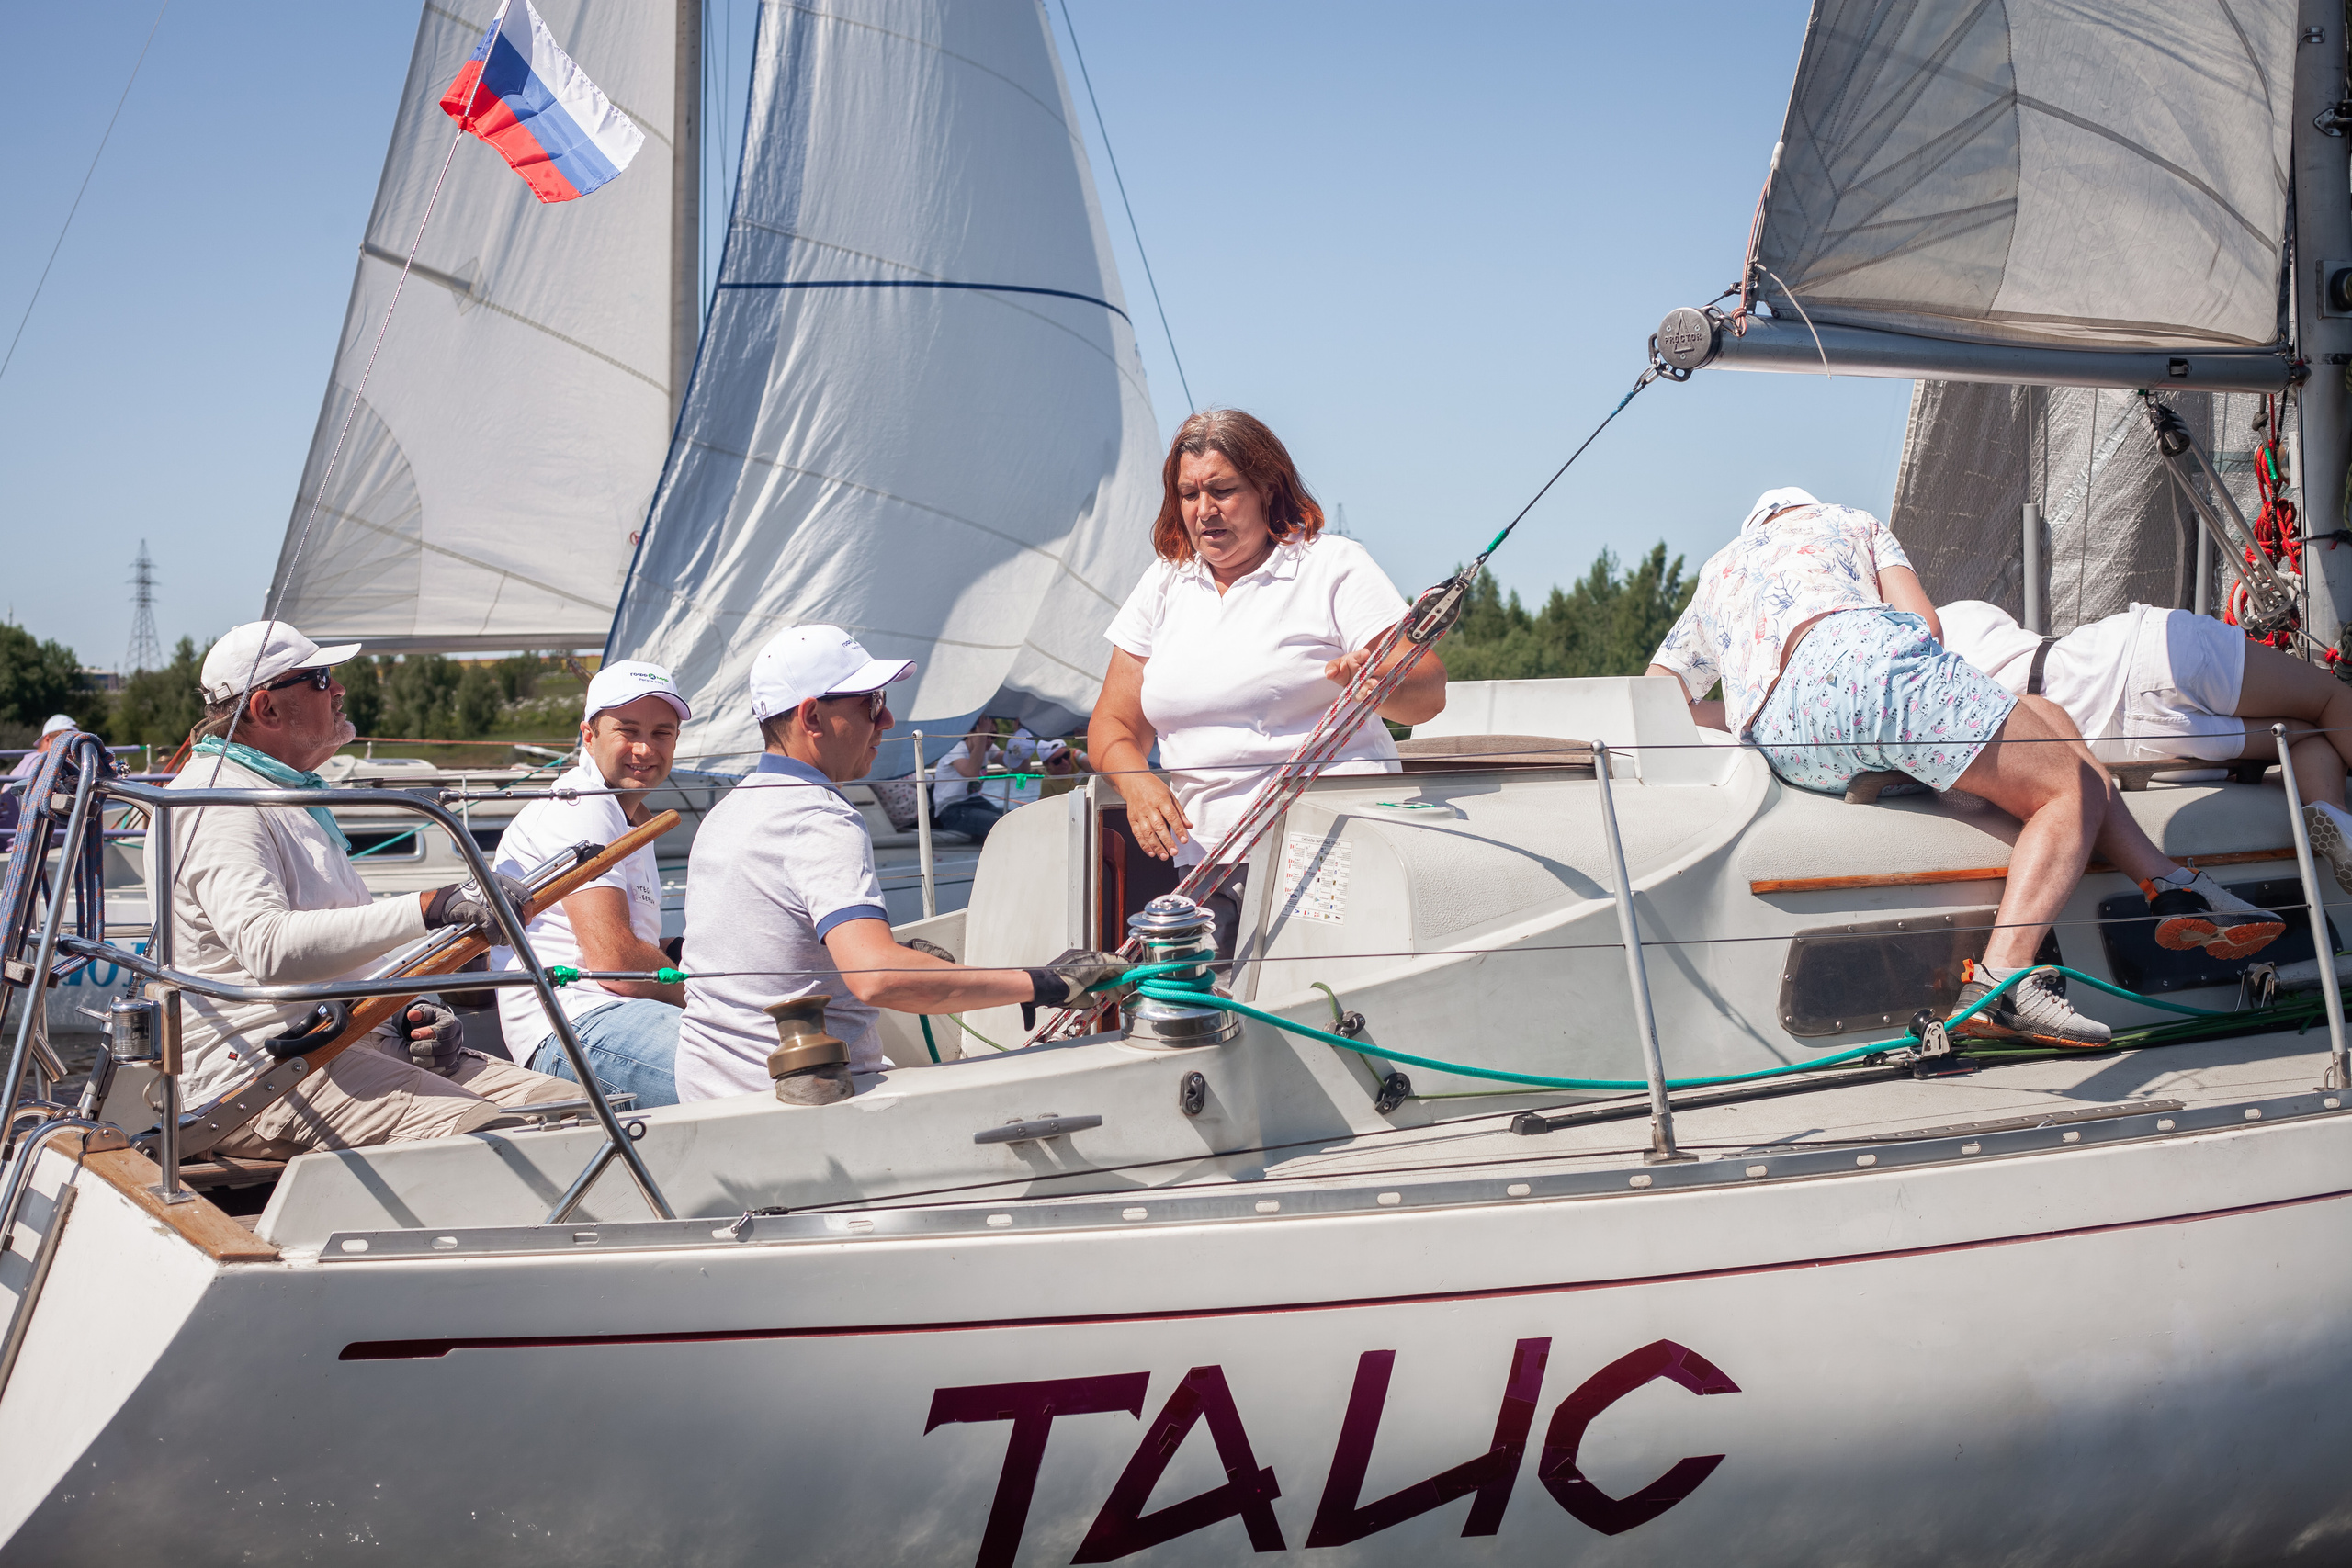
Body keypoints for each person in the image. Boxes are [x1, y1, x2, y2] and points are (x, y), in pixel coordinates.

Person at [1646, 490, 2279, 1050]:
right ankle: (2004, 978)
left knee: (2047, 716)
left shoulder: (1718, 571)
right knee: (2070, 787)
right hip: (1874, 672)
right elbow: (1925, 622)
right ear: (1806, 509)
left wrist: (1742, 710)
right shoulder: (1851, 522)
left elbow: (1660, 690)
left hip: (1791, 740)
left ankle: (2169, 886)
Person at [156, 621, 572, 1157]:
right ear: (267, 710)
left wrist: (412, 1010)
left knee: (571, 1112)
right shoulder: (219, 803)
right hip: (264, 1071)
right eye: (322, 678)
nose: (339, 690)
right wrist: (430, 907)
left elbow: (341, 947)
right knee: (505, 1139)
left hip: (348, 1041)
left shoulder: (283, 793)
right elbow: (269, 949)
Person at [673, 626, 1125, 1100]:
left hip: (712, 1090)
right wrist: (1045, 983)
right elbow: (876, 976)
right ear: (811, 717)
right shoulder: (820, 818)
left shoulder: (730, 810)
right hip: (803, 1105)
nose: (887, 719)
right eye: (871, 702)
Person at [1090, 409, 1446, 956]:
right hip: (1204, 862)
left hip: (1331, 848)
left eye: (1223, 491)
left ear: (1267, 489)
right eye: (1188, 495)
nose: (1204, 511)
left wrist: (1376, 683)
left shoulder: (1331, 565)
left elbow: (1427, 691)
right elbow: (1113, 724)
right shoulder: (1165, 582)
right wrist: (1137, 784)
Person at [1940, 598, 2352, 891]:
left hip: (2109, 740)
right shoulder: (1942, 621)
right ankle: (2334, 815)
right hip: (2132, 656)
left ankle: (2334, 814)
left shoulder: (1901, 712)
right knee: (2329, 699)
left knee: (2300, 735)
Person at [488, 660, 690, 1106]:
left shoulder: (630, 818)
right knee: (750, 1070)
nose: (645, 749)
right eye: (628, 731)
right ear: (589, 735)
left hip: (608, 1015)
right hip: (575, 1024)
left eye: (662, 734)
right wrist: (702, 992)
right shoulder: (582, 804)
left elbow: (630, 945)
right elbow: (615, 961)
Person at [931, 723, 1005, 842]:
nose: (990, 740)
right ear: (970, 733)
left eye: (993, 736)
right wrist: (981, 740)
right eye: (986, 735)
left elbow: (1020, 767)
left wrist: (1022, 744)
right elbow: (970, 773)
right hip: (952, 809)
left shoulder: (986, 748)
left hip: (976, 802)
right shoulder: (956, 748)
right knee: (998, 823)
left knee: (1013, 817)